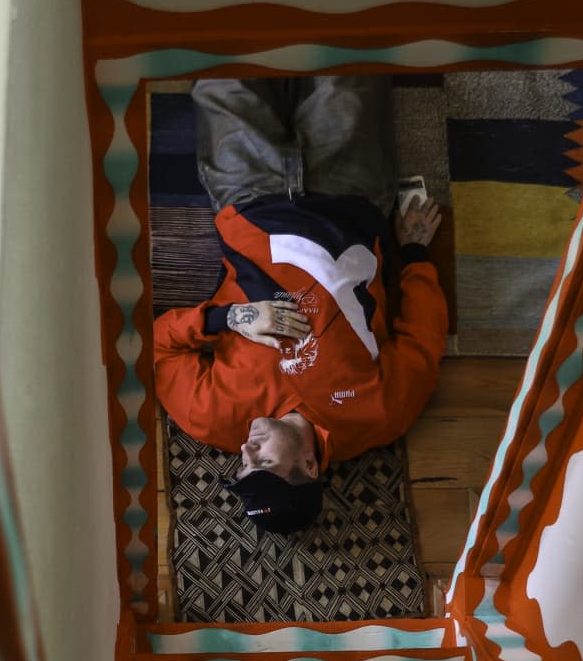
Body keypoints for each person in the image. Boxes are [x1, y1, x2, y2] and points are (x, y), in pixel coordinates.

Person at [153, 74, 448, 536]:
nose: (246, 452)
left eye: (244, 467)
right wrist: (413, 254)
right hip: (350, 193)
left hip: (245, 196)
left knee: (229, 62)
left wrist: (232, 317)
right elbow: (423, 337)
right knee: (342, 59)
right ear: (310, 465)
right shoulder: (381, 415)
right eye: (264, 462)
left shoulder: (209, 417)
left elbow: (156, 347)